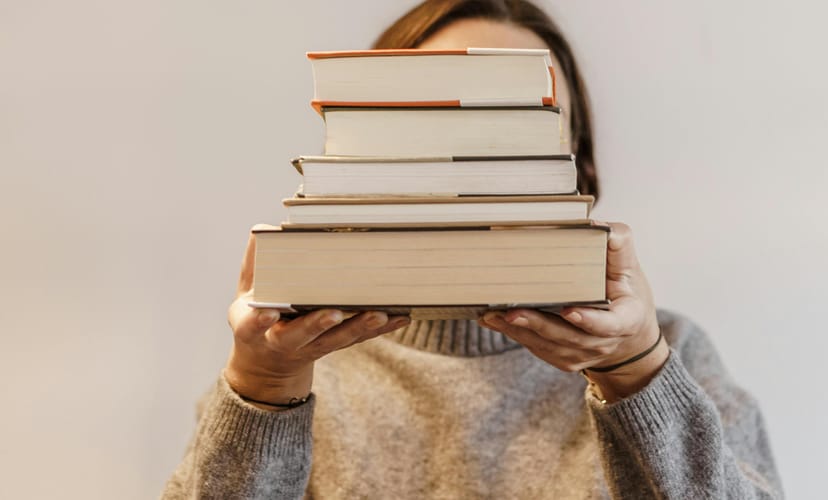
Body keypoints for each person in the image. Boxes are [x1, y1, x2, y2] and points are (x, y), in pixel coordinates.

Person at [164, 1, 783, 498]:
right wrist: (263, 389)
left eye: (520, 128)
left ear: (580, 172)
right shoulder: (295, 363)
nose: (476, 168)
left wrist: (637, 372)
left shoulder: (673, 357)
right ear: (361, 160)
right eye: (434, 121)